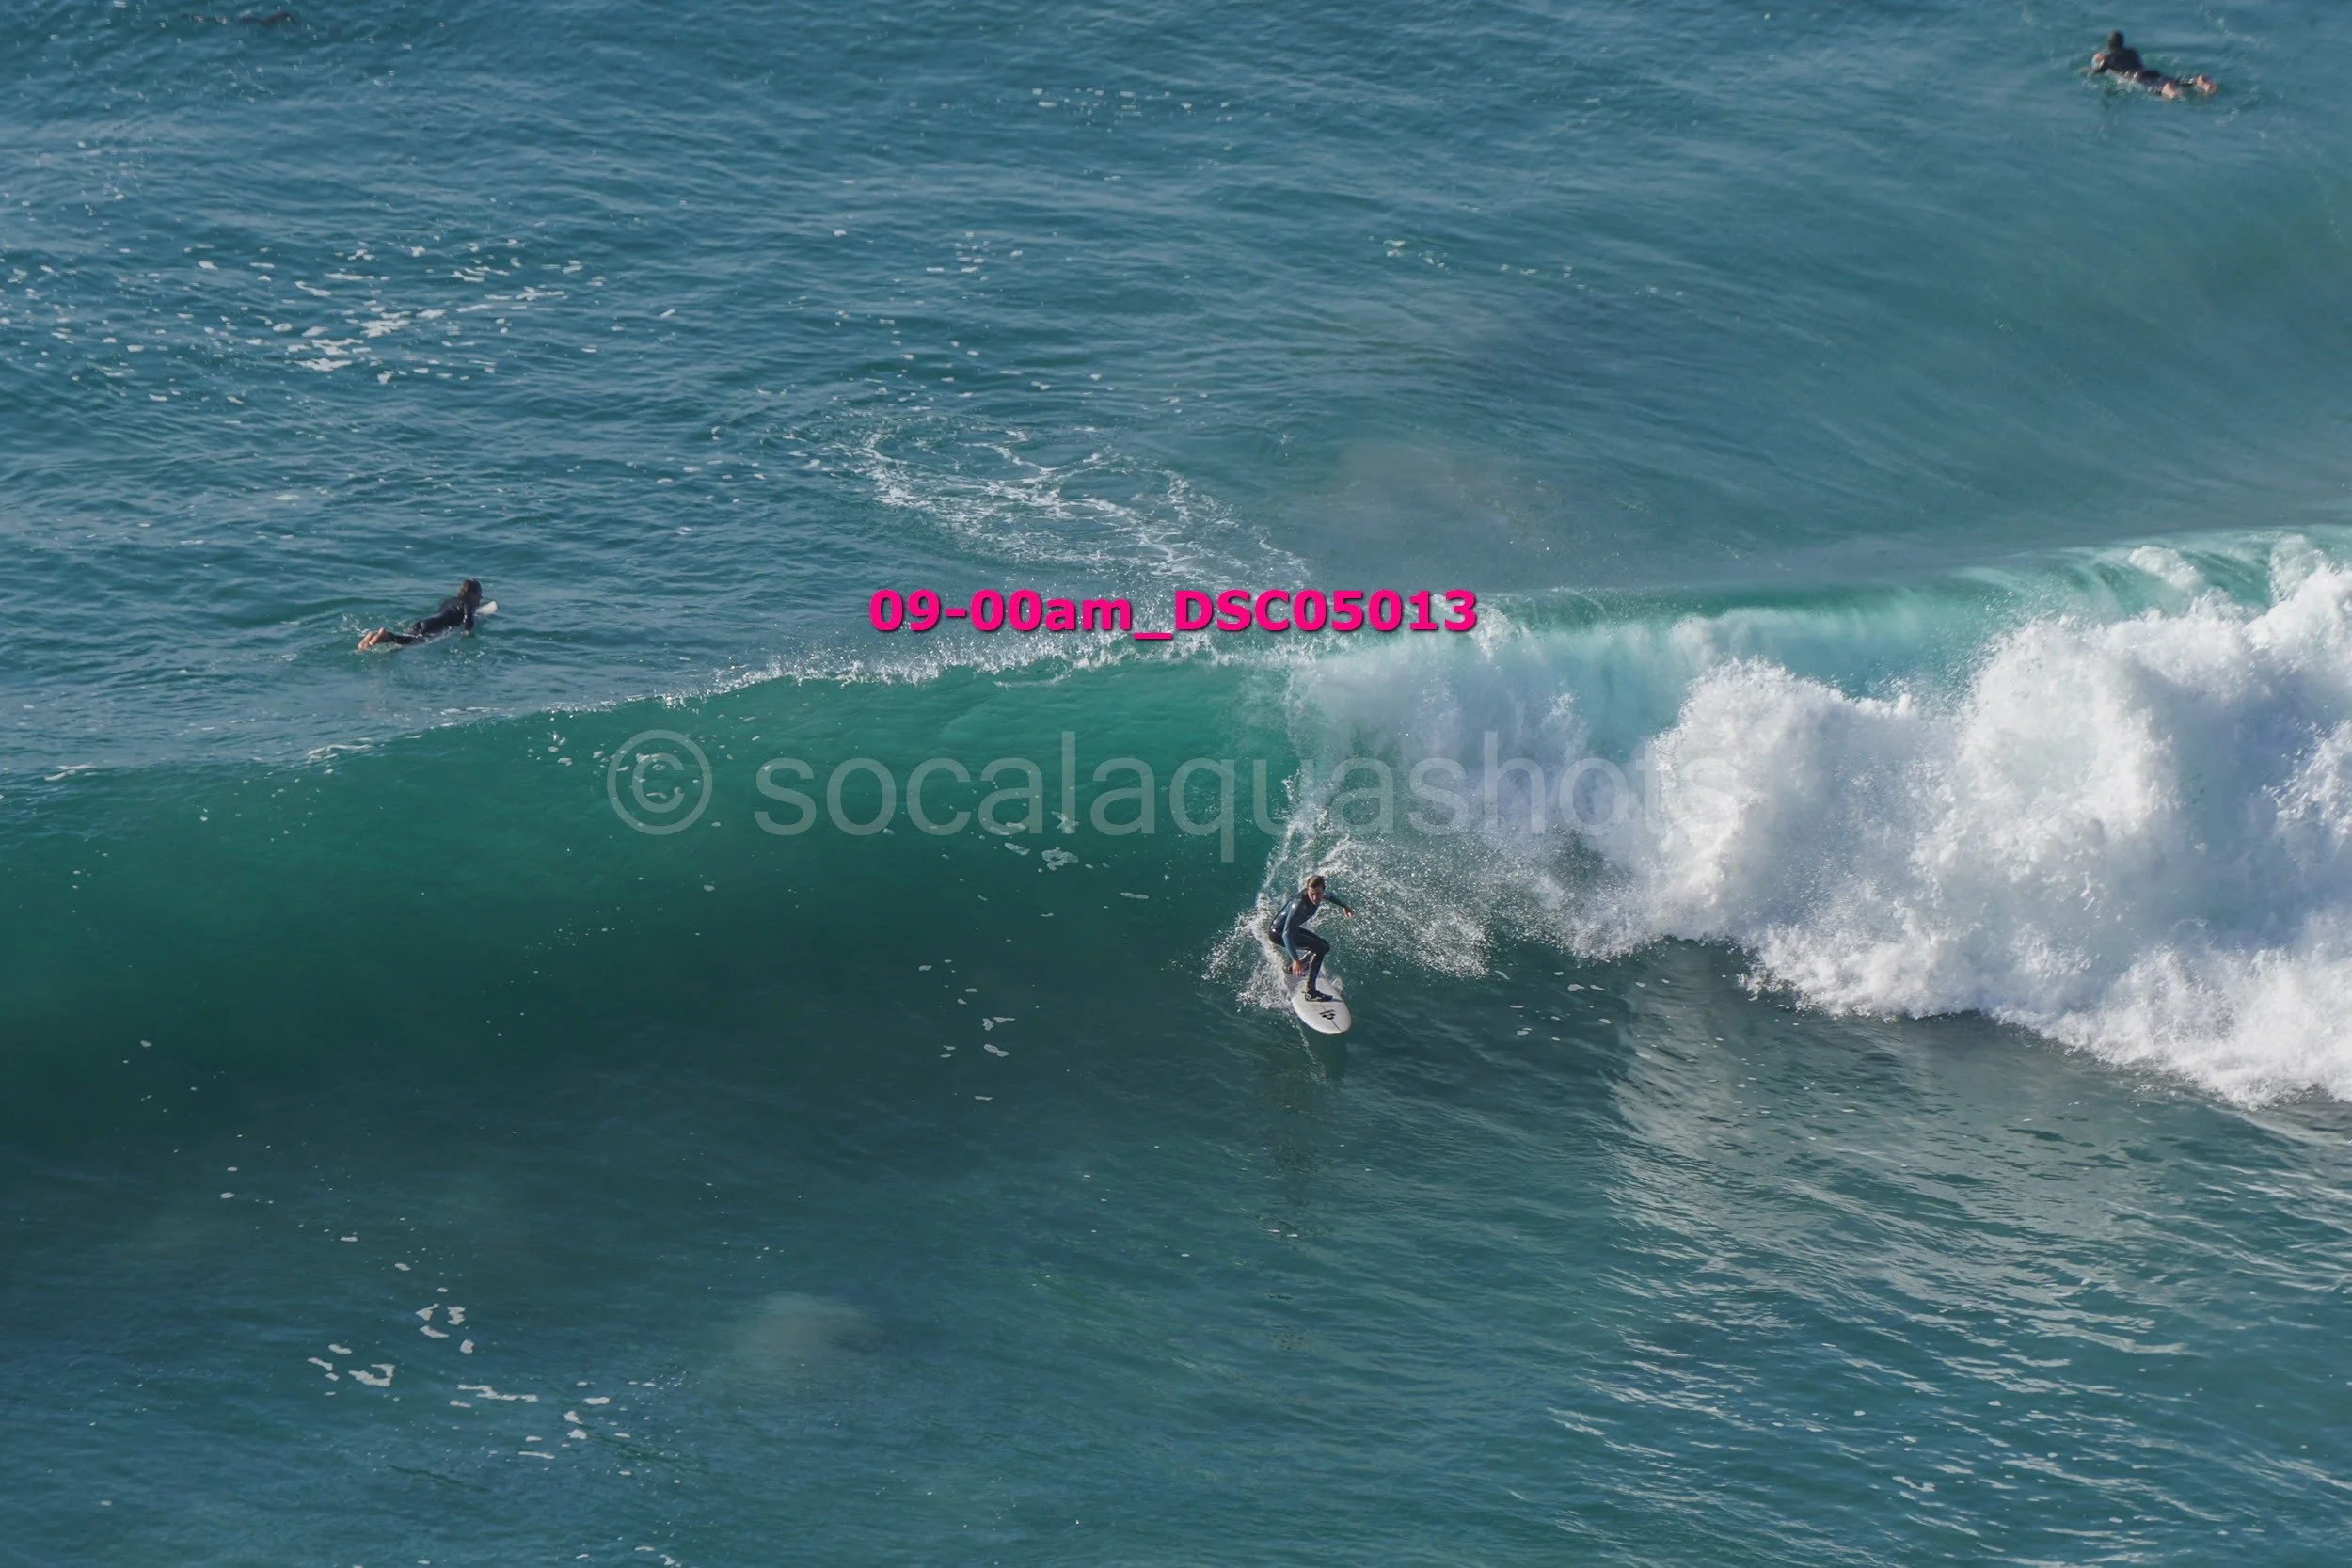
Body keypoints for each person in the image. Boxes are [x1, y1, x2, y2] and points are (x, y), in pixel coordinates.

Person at [1268, 874, 1354, 1003]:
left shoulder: (1322, 894)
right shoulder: (1299, 906)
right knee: (1319, 948)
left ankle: (1297, 967)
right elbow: (1287, 934)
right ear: (1307, 890)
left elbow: (1330, 896)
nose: (1315, 897)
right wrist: (1295, 959)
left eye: (1318, 894)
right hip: (1279, 933)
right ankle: (1311, 992)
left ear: (1323, 891)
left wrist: (1345, 905)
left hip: (1291, 930)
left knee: (1325, 946)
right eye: (1311, 894)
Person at [358, 579, 484, 650]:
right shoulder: (467, 604)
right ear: (472, 595)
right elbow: (468, 620)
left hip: (425, 621)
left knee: (405, 639)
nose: (481, 598)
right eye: (479, 595)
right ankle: (385, 636)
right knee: (413, 641)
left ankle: (374, 636)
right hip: (433, 627)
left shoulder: (449, 600)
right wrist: (467, 634)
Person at [2091, 30, 2216, 98]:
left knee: (2154, 89)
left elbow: (2099, 72)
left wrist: (2095, 64)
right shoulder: (2132, 51)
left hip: (2137, 77)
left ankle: (2167, 90)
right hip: (2148, 71)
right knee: (2175, 80)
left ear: (2109, 45)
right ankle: (2197, 81)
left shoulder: (2107, 58)